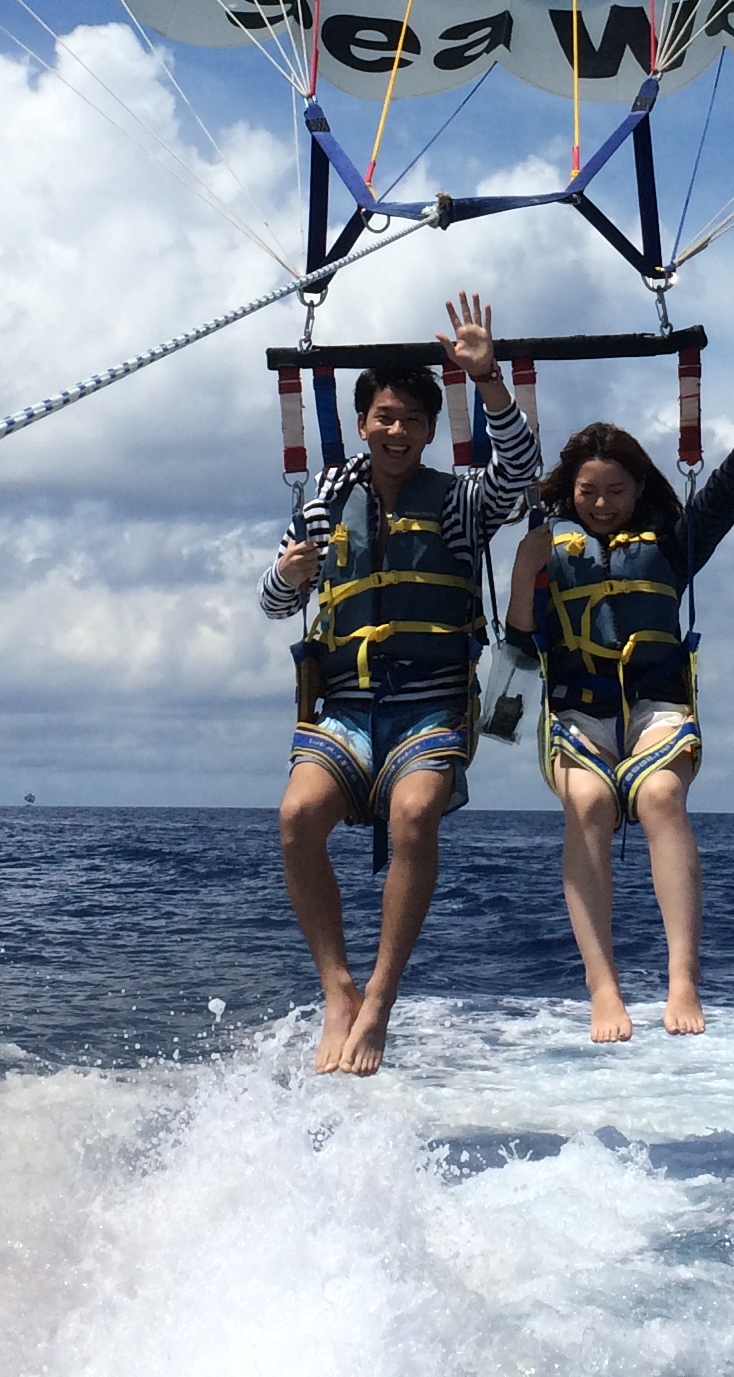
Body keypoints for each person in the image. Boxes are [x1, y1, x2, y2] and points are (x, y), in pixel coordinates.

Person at [505, 350, 734, 1041]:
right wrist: (524, 572)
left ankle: (683, 976)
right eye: (589, 491)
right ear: (569, 491)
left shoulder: (674, 542)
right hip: (577, 710)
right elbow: (520, 641)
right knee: (588, 805)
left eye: (616, 491)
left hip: (658, 708)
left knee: (659, 798)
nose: (601, 503)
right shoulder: (547, 546)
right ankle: (603, 985)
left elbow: (729, 485)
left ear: (639, 488)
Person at [262, 293, 537, 1075]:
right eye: (384, 417)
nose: (397, 431)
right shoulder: (324, 504)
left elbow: (520, 476)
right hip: (346, 710)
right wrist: (287, 577)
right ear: (363, 423)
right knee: (296, 818)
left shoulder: (458, 503)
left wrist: (487, 379)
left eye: (412, 421)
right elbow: (273, 603)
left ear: (428, 431)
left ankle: (380, 996)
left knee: (415, 815)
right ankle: (338, 989)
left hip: (429, 709)